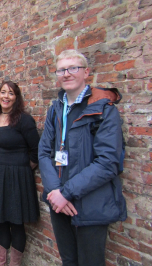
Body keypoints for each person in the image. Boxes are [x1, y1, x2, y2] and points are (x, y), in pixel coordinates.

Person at [38, 49, 127, 266]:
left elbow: (108, 162)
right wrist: (55, 191)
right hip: (58, 200)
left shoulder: (104, 109)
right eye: (61, 69)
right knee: (69, 260)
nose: (66, 74)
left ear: (86, 72)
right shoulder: (56, 109)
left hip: (91, 203)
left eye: (73, 68)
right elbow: (43, 152)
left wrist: (65, 193)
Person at [0, 81, 40, 266]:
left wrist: (20, 169)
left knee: (16, 222)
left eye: (11, 93)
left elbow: (36, 150)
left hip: (17, 178)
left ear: (16, 98)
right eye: (3, 92)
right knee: (1, 221)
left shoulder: (24, 120)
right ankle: (1, 262)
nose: (6, 96)